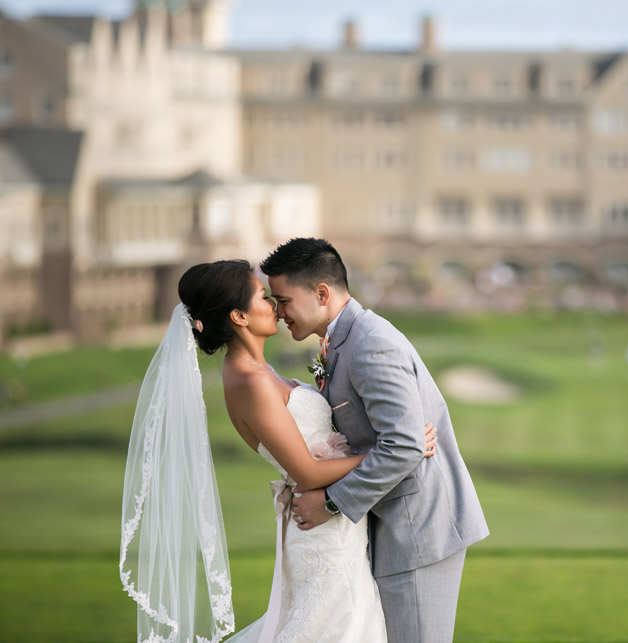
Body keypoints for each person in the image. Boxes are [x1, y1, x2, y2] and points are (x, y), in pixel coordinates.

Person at [120, 259, 438, 643]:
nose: (274, 305)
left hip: (337, 528)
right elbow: (307, 473)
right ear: (239, 315)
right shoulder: (248, 381)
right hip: (322, 534)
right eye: (263, 297)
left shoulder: (260, 370)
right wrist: (402, 449)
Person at [260, 238, 489, 643]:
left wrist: (331, 501)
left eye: (283, 300)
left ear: (322, 293)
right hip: (391, 528)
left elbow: (403, 447)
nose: (278, 313)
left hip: (418, 531)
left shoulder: (370, 343)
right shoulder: (339, 341)